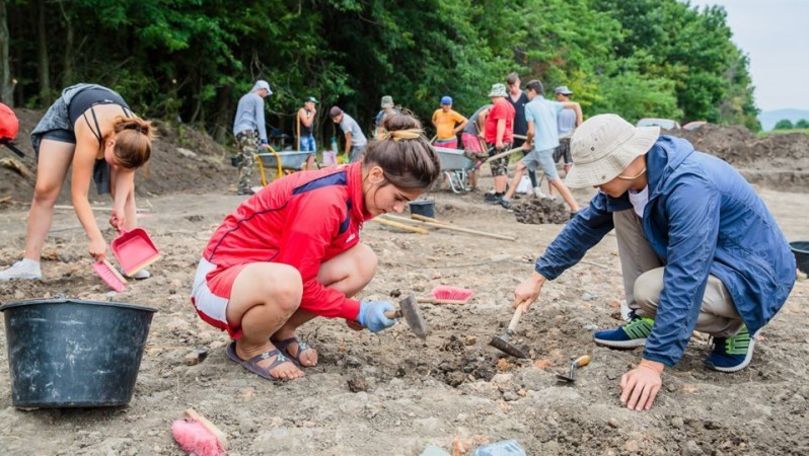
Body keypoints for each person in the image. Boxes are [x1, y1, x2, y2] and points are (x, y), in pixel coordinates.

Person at [512, 113, 796, 411]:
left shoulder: (689, 186)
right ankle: (649, 319)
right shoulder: (637, 178)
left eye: (598, 175)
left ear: (621, 162)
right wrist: (538, 276)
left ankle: (737, 327)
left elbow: (688, 275)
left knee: (650, 290)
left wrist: (652, 365)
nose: (595, 184)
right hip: (714, 261)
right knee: (618, 209)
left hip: (752, 277)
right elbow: (585, 225)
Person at [190, 114, 441, 381]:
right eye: (398, 198)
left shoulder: (353, 193)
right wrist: (356, 310)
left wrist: (353, 312)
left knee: (362, 261)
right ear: (376, 174)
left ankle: (280, 331)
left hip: (264, 274)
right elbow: (302, 281)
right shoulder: (325, 202)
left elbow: (312, 267)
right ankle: (251, 345)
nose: (399, 209)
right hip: (219, 283)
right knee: (288, 283)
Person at [0, 83, 154, 281]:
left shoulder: (135, 137)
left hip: (105, 107)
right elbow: (79, 195)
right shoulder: (91, 133)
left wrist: (119, 207)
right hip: (69, 115)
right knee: (45, 189)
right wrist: (96, 238)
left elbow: (126, 173)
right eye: (115, 164)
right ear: (110, 143)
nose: (115, 170)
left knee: (127, 195)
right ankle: (29, 264)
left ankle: (132, 262)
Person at [499, 80, 581, 213]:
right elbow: (576, 105)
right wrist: (580, 124)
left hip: (542, 149)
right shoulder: (551, 104)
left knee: (554, 179)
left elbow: (530, 131)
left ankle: (575, 208)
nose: (527, 95)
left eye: (528, 92)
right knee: (520, 166)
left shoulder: (530, 107)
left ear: (532, 91)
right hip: (545, 146)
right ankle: (506, 198)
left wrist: (527, 142)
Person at [233, 80, 272, 195]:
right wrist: (264, 139)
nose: (266, 95)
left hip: (238, 131)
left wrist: (236, 133)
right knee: (249, 159)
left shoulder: (244, 98)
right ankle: (244, 187)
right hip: (248, 131)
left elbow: (238, 116)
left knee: (242, 159)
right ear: (262, 89)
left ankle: (241, 185)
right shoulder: (258, 99)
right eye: (266, 92)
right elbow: (260, 119)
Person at [482, 83, 515, 204]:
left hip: (501, 141)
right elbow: (510, 123)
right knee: (500, 167)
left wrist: (499, 140)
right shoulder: (509, 105)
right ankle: (499, 191)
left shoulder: (500, 104)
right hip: (506, 138)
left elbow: (501, 122)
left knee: (498, 167)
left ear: (496, 95)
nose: (492, 98)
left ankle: (499, 194)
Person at [506, 73, 534, 190]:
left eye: (514, 86)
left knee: (530, 161)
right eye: (510, 86)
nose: (512, 88)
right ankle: (504, 185)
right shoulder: (506, 98)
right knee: (504, 161)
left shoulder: (525, 97)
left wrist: (531, 132)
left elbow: (532, 115)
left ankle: (535, 186)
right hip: (510, 134)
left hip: (524, 135)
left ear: (518, 83)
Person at [461, 104, 491, 190]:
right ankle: (472, 185)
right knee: (475, 161)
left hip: (471, 135)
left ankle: (473, 185)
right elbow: (481, 115)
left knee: (477, 160)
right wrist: (483, 131)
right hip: (471, 135)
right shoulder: (492, 107)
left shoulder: (489, 107)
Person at [553, 85, 576, 176]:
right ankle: (570, 188)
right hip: (570, 139)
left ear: (560, 95)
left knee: (552, 165)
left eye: (557, 95)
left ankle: (553, 190)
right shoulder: (574, 108)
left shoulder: (557, 109)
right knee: (568, 165)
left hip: (558, 140)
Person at [297, 96, 318, 170]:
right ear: (306, 103)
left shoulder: (310, 112)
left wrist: (311, 113)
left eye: (314, 104)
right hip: (303, 136)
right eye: (311, 103)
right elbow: (307, 124)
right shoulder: (302, 110)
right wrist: (312, 114)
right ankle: (295, 170)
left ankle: (308, 172)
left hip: (310, 135)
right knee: (304, 155)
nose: (313, 106)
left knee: (313, 153)